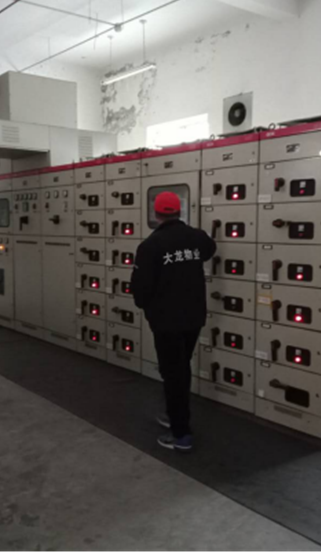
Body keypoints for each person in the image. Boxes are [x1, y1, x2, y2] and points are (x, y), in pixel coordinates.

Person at [131, 191, 217, 452]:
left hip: (166, 321)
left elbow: (140, 288)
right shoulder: (197, 237)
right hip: (193, 317)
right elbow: (209, 250)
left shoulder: (151, 245)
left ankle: (181, 434)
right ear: (180, 211)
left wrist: (146, 306)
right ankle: (173, 414)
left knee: (173, 372)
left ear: (156, 213)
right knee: (180, 367)